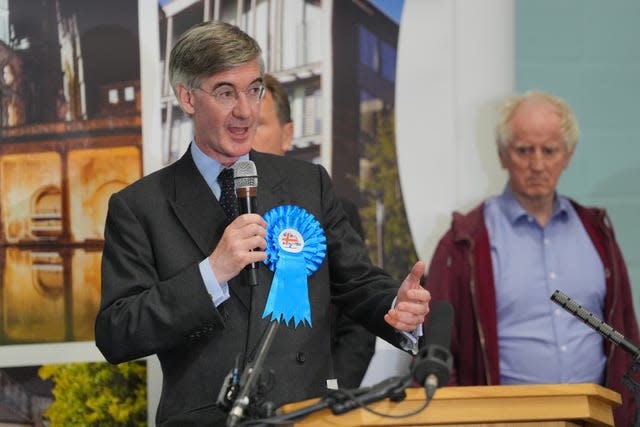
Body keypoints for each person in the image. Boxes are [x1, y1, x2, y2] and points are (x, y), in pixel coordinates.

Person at [94, 21, 430, 426]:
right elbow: (116, 332)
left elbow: (356, 282)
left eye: (254, 90)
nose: (245, 111)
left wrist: (397, 306)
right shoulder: (140, 206)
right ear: (187, 98)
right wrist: (211, 273)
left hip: (304, 415)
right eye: (225, 93)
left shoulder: (309, 183)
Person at [424, 90, 640, 426]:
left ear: (567, 155)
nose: (537, 164)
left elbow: (626, 335)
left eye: (549, 150)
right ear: (501, 155)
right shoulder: (463, 243)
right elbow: (433, 350)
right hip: (500, 422)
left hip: (598, 420)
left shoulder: (598, 234)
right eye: (524, 150)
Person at [252, 74, 376, 389]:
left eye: (257, 124)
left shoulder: (332, 211)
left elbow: (357, 320)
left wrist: (332, 393)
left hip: (312, 399)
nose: (244, 135)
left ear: (287, 134)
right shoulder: (214, 214)